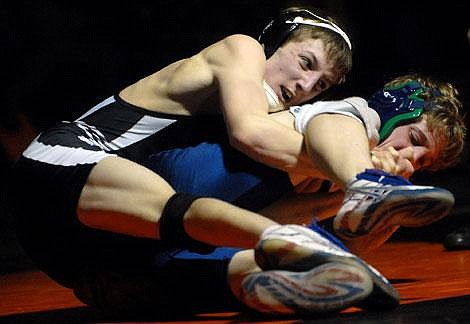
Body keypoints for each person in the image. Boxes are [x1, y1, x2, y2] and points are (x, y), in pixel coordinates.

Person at [8, 5, 459, 316]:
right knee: (181, 210)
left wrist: (347, 212)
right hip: (60, 165)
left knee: (223, 256)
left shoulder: (278, 111)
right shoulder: (242, 50)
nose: (306, 84)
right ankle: (323, 246)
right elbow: (249, 134)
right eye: (304, 62)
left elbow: (260, 202)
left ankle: (290, 282)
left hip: (82, 252)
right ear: (274, 42)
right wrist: (359, 172)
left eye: (321, 84)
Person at [146, 73, 466, 253]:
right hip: (163, 180)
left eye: (424, 162)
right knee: (352, 121)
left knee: (288, 254)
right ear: (397, 112)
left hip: (171, 237)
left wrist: (383, 211)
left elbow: (261, 221)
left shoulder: (345, 176)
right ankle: (368, 187)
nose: (411, 158)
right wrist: (368, 175)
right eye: (414, 140)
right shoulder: (345, 115)